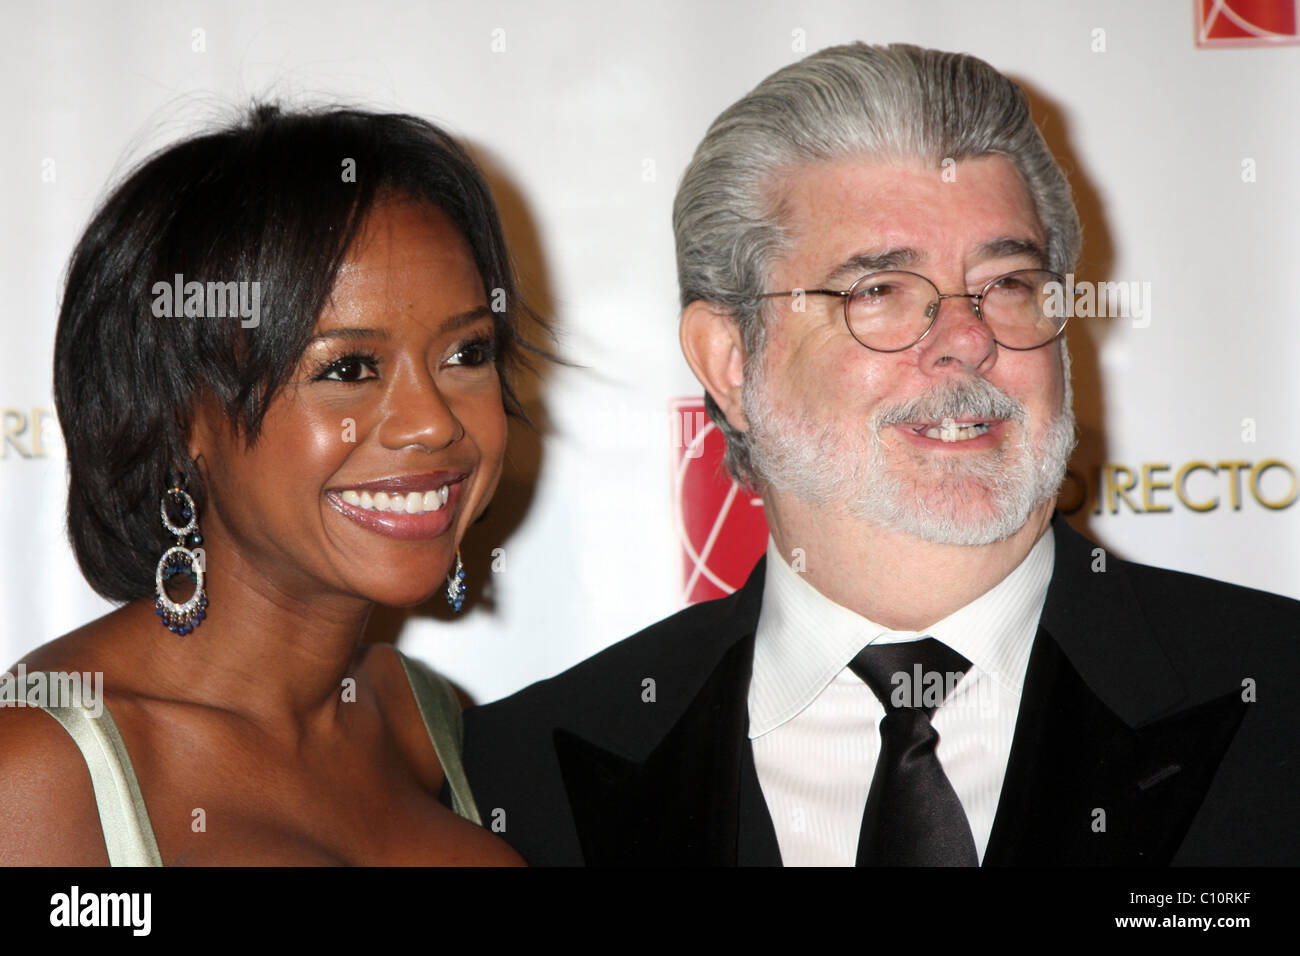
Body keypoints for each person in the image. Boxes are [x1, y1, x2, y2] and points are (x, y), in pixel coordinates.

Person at [460, 42, 1300, 866]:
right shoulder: (522, 779)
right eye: (880, 292)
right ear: (730, 360)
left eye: (1007, 283)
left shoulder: (1278, 695)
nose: (967, 341)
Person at [0, 105, 545, 865]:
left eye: (467, 352)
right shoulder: (38, 773)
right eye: (349, 368)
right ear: (181, 418)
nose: (432, 424)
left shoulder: (423, 720)